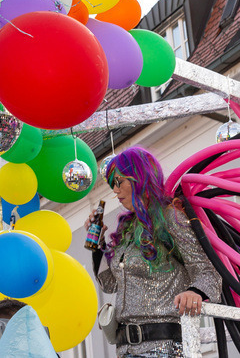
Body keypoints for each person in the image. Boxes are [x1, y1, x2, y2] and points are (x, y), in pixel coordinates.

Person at [87, 146, 220, 357]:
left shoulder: (171, 218)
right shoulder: (127, 229)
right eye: (113, 184)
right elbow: (110, 284)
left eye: (119, 181)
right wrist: (97, 245)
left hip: (165, 347)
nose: (115, 190)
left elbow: (209, 273)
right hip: (125, 349)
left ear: (139, 178)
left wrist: (194, 293)